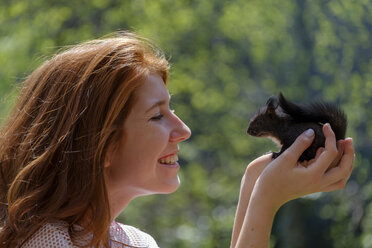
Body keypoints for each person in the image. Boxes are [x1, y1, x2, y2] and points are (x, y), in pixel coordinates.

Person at [0, 32, 354, 248]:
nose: (183, 130)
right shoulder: (46, 242)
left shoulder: (136, 243)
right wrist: (264, 201)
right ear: (101, 145)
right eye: (157, 115)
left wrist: (254, 184)